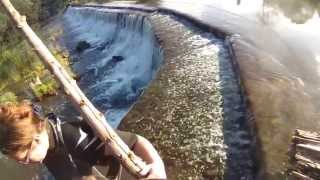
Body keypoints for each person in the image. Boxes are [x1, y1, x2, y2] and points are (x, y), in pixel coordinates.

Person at [0, 101, 166, 180]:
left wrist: (157, 168)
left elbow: (135, 142)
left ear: (36, 139)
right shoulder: (48, 147)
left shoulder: (76, 137)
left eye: (25, 159)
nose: (27, 164)